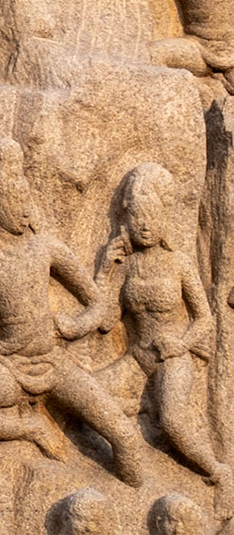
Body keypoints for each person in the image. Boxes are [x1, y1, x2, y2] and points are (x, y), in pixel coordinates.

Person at [0, 138, 147, 485]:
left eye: (27, 199)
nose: (24, 209)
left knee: (125, 437)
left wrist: (75, 326)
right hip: (8, 365)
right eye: (15, 201)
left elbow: (98, 304)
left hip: (54, 362)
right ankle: (30, 428)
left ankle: (134, 498)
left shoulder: (47, 248)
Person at [66, 164, 227, 488]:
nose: (143, 225)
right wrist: (105, 271)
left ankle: (218, 471)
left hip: (172, 359)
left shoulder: (179, 263)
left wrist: (182, 344)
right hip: (138, 359)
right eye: (136, 217)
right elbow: (106, 322)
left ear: (164, 218)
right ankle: (139, 408)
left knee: (174, 424)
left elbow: (204, 318)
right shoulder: (128, 267)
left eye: (151, 216)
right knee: (86, 394)